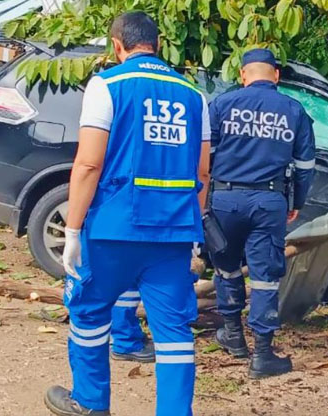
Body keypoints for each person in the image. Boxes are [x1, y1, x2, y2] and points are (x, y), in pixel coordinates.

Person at [44, 11, 210, 416]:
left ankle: (90, 401)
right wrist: (194, 231)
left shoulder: (107, 85)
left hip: (112, 230)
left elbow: (87, 165)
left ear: (117, 45)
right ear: (157, 44)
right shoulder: (193, 95)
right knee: (173, 331)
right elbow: (202, 171)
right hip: (172, 234)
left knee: (88, 311)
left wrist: (73, 230)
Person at [207, 48, 315, 379]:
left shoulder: (222, 105)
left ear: (243, 75)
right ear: (276, 75)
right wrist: (296, 201)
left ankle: (233, 334)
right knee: (265, 278)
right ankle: (263, 355)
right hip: (269, 201)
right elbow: (305, 166)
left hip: (225, 198)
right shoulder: (294, 111)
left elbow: (203, 155)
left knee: (226, 268)